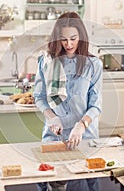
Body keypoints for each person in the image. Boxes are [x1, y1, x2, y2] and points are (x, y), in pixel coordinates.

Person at [33, 12, 103, 191]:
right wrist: (51, 117)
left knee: (84, 185)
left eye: (73, 38)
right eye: (63, 39)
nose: (69, 44)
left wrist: (82, 125)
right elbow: (40, 97)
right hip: (54, 136)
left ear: (81, 37)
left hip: (84, 137)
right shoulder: (46, 62)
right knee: (49, 183)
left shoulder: (93, 64)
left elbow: (96, 105)